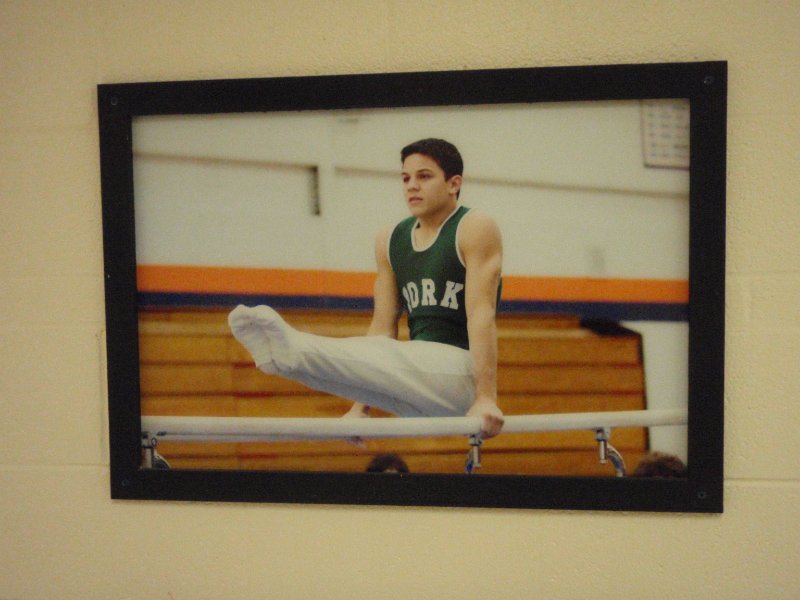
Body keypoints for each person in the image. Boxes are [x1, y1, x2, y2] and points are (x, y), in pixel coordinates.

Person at [228, 138, 504, 440]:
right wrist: (361, 409)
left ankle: (294, 348)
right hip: (413, 388)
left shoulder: (474, 226)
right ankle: (282, 360)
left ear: (454, 184)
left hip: (462, 378)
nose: (412, 186)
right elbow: (382, 331)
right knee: (355, 364)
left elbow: (481, 314)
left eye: (424, 176)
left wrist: (486, 397)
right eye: (405, 178)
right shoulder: (390, 240)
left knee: (395, 356)